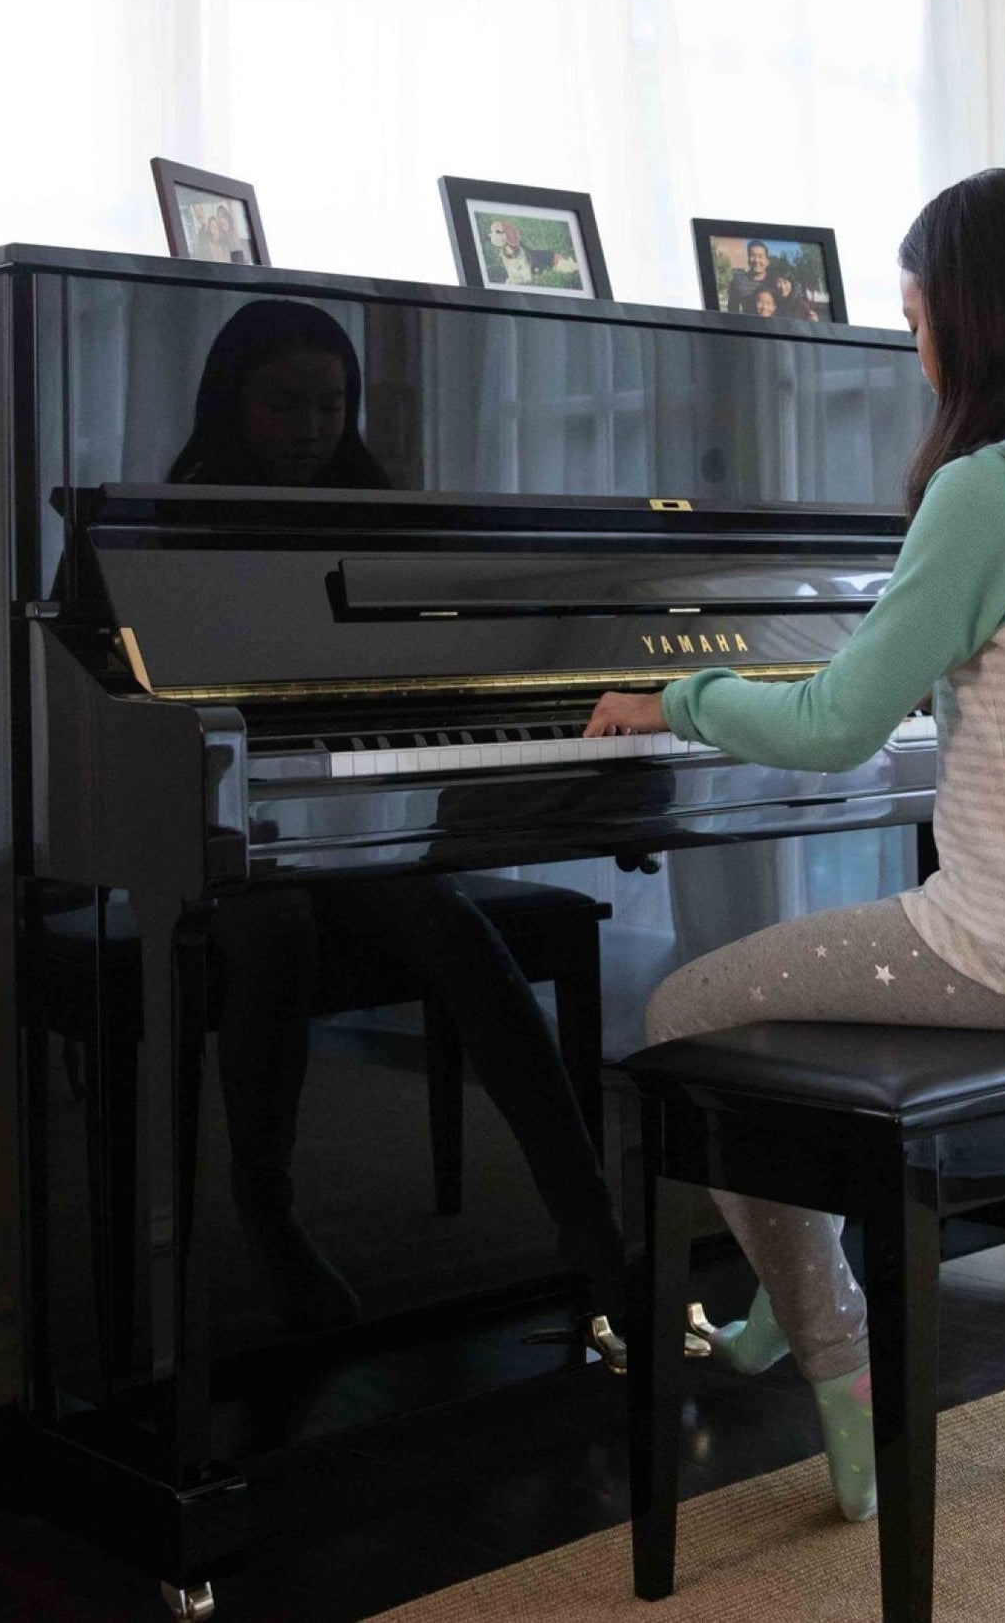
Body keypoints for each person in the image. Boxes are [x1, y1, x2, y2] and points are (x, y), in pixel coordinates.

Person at [583, 168, 1005, 1520]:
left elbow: (842, 726)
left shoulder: (983, 490)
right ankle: (775, 1302)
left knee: (686, 1009)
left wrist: (672, 696)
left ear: (972, 322)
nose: (909, 347)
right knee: (791, 1026)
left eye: (915, 316)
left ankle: (835, 1356)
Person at [177, 300, 626, 1343]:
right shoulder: (176, 517)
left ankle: (590, 1226)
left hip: (337, 829)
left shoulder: (367, 505)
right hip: (215, 829)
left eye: (330, 405)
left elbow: (438, 678)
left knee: (456, 930)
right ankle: (267, 1209)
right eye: (284, 405)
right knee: (276, 932)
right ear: (233, 401)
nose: (308, 428)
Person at [725, 239, 772, 314]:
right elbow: (732, 310)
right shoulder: (738, 281)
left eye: (760, 256)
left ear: (767, 261)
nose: (756, 260)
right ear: (748, 258)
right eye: (752, 255)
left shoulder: (773, 281)